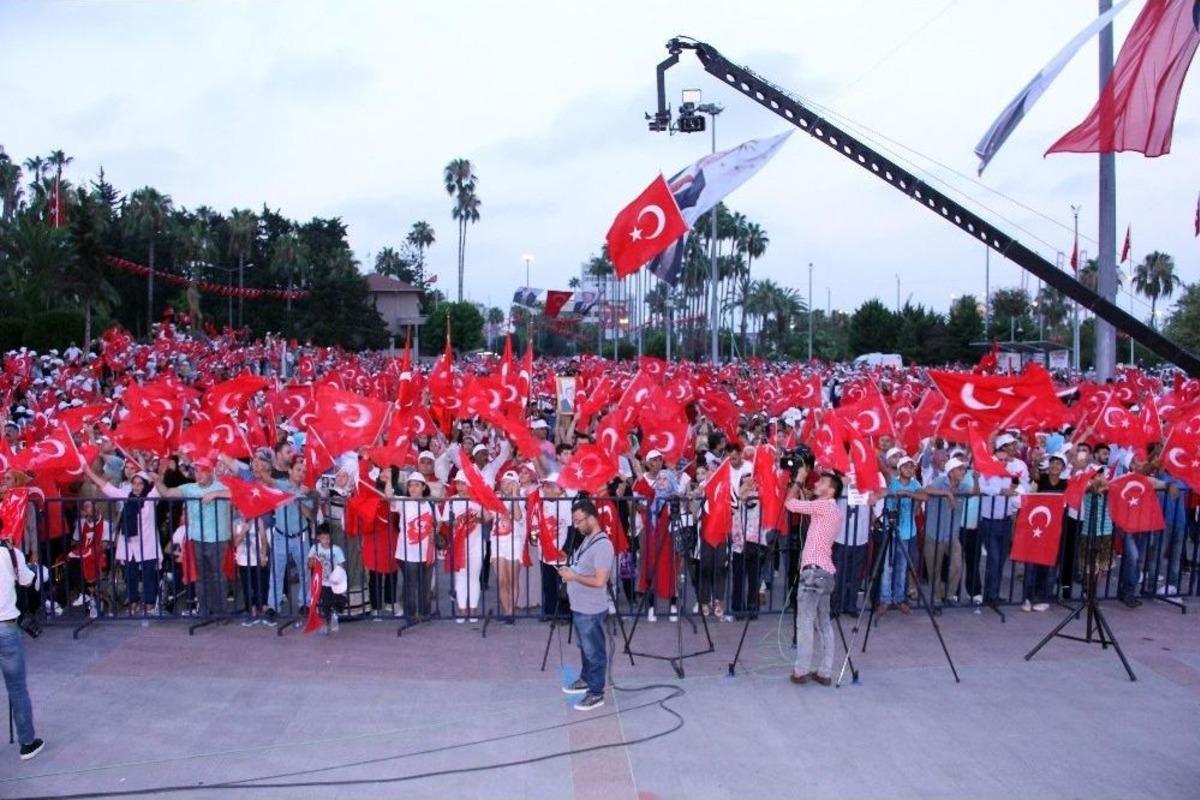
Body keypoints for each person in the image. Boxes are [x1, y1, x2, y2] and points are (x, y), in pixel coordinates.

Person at [785, 471, 844, 686]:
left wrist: (798, 479)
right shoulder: (834, 509)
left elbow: (790, 504)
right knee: (824, 623)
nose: (817, 483)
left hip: (813, 573)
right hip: (825, 572)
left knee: (805, 623)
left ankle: (801, 670)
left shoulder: (824, 506)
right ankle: (825, 671)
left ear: (831, 490)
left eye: (822, 482)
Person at [559, 498, 613, 711]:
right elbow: (583, 567)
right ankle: (586, 678)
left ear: (591, 518)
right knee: (585, 647)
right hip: (580, 606)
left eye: (578, 520)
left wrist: (574, 577)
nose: (576, 525)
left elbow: (600, 581)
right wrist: (570, 571)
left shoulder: (603, 545)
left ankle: (596, 692)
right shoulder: (588, 540)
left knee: (594, 651)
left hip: (591, 608)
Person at [1, 534, 44, 760]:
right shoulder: (10, 553)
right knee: (17, 687)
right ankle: (27, 742)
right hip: (6, 625)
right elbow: (27, 581)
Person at [308, 523, 347, 634]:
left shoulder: (336, 550)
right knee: (324, 604)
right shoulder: (314, 548)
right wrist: (312, 561)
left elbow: (341, 565)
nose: (325, 541)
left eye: (327, 538)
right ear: (318, 538)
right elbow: (309, 565)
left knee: (337, 600)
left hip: (333, 582)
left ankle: (334, 614)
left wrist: (337, 575)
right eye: (323, 538)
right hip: (322, 582)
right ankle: (325, 624)